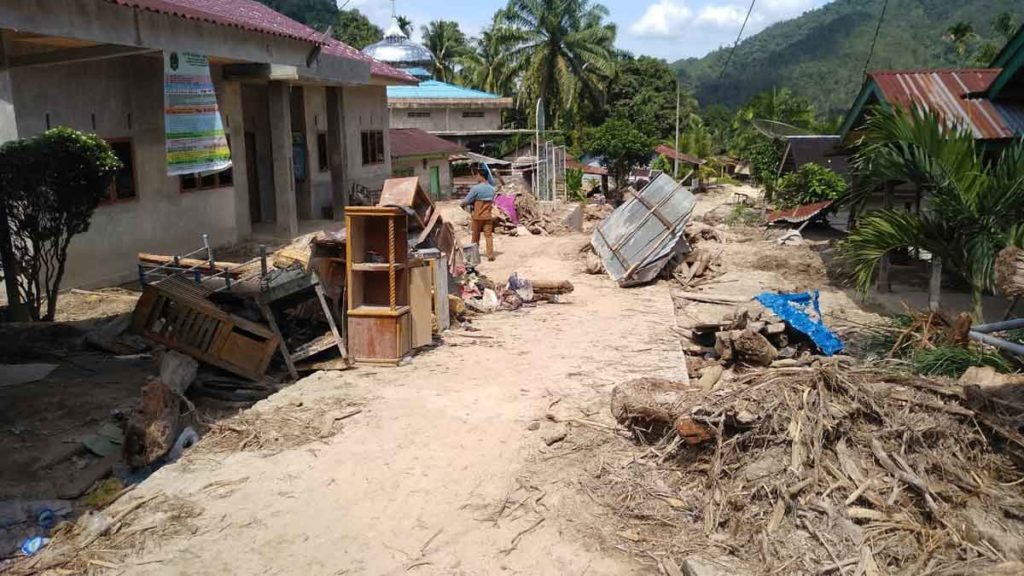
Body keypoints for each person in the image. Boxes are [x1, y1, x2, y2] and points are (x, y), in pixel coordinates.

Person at [461, 166, 497, 261]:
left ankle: (474, 255)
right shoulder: (492, 189)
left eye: (477, 175)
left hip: (477, 216)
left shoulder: (476, 188)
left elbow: (467, 200)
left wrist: (460, 204)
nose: (476, 177)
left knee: (475, 236)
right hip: (488, 216)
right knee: (488, 236)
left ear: (481, 176)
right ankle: (490, 255)